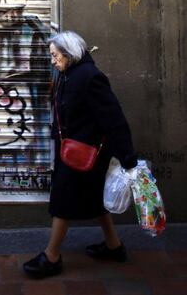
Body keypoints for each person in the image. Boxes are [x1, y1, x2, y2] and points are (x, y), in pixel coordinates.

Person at [23, 30, 137, 279]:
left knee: (63, 201)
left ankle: (51, 256)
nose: (53, 60)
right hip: (73, 151)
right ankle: (114, 247)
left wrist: (128, 157)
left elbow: (113, 118)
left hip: (87, 154)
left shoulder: (90, 77)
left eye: (55, 55)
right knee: (96, 201)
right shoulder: (69, 74)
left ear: (68, 52)